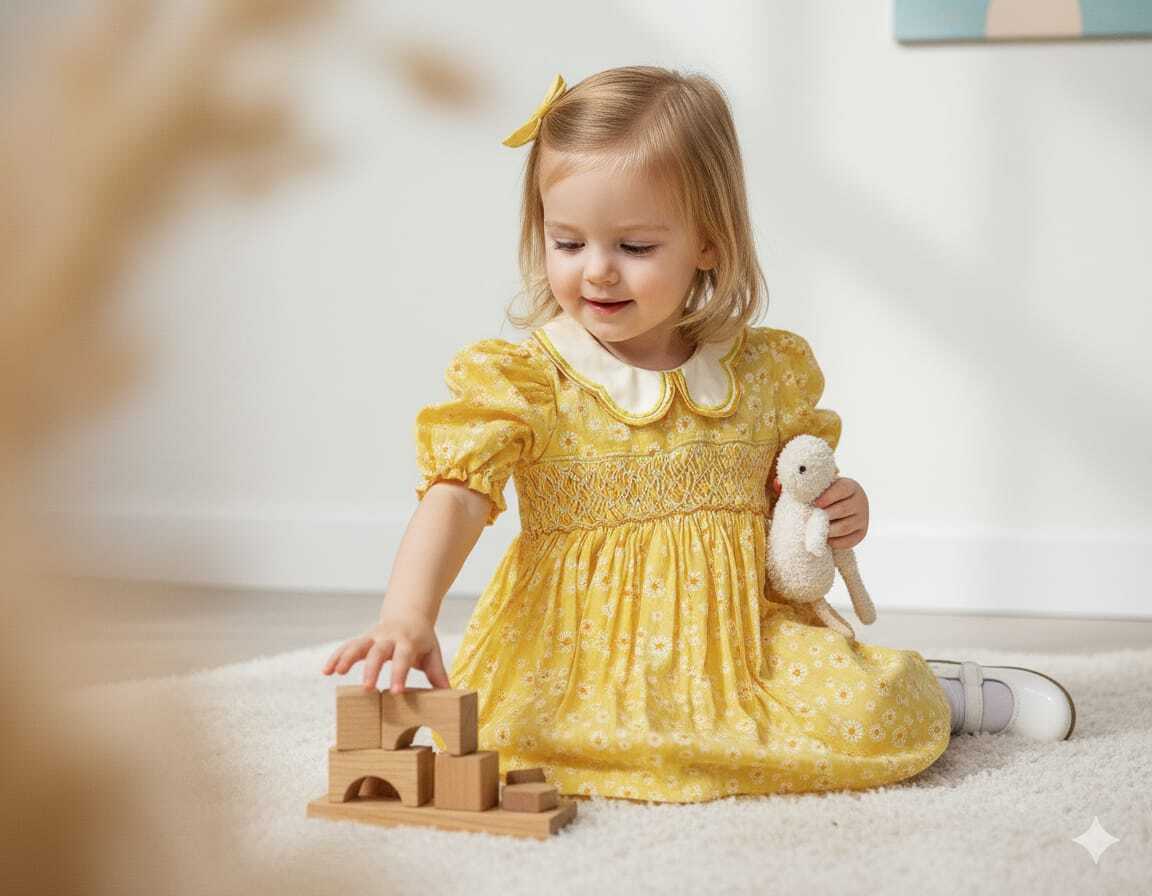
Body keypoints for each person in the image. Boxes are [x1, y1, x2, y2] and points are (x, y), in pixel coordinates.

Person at [322, 66, 1075, 803]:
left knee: (873, 713)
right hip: (576, 654)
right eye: (569, 243)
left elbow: (797, 500)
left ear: (708, 243)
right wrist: (408, 613)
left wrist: (844, 509)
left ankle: (941, 692)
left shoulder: (762, 372)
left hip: (739, 645)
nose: (598, 272)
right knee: (507, 734)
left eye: (634, 248)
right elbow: (457, 496)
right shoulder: (527, 380)